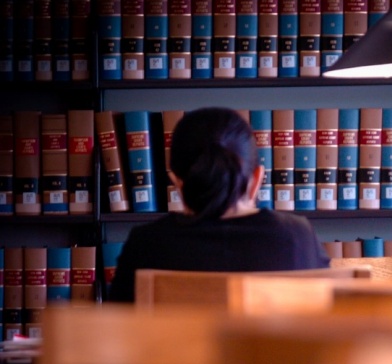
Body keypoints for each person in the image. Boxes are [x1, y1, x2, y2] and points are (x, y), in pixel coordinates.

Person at [109, 107, 329, 302]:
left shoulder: (145, 244)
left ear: (176, 181)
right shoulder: (299, 236)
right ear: (257, 179)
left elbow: (117, 333)